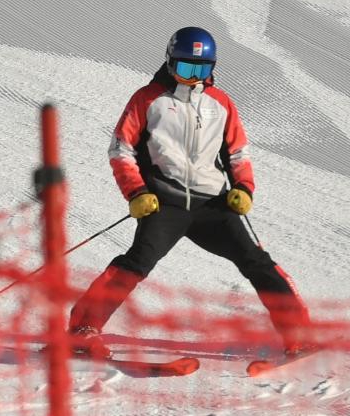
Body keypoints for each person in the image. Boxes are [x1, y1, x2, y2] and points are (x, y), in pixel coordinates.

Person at [67, 29, 312, 360]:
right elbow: (121, 149)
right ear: (170, 62)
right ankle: (82, 331)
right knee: (137, 262)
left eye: (202, 69)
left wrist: (243, 187)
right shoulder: (148, 100)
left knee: (256, 261)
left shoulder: (220, 103)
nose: (194, 77)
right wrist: (136, 192)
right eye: (186, 68)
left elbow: (237, 153)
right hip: (164, 203)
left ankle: (299, 335)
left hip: (212, 204)